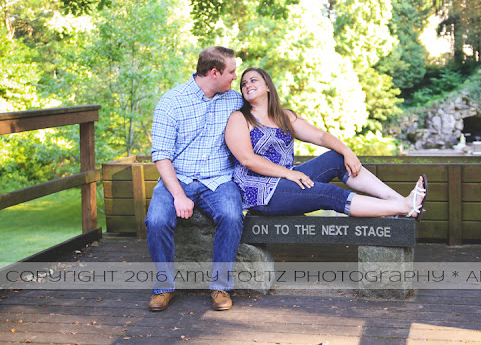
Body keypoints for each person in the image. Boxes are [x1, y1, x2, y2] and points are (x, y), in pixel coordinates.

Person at [224, 67, 427, 219]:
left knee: (336, 158)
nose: (247, 85)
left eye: (253, 80)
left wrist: (347, 151)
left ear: (267, 86)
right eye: (243, 83)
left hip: (288, 182)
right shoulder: (239, 118)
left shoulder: (284, 117)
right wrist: (289, 173)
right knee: (329, 194)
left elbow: (321, 136)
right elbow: (247, 159)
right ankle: (404, 207)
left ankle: (399, 202)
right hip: (261, 194)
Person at [146, 46, 244, 312]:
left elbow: (267, 113)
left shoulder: (234, 100)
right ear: (214, 72)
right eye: (232, 72)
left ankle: (220, 286)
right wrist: (179, 195)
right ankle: (163, 288)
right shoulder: (171, 102)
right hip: (178, 178)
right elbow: (161, 156)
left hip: (218, 179)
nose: (236, 76)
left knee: (232, 216)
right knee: (156, 220)